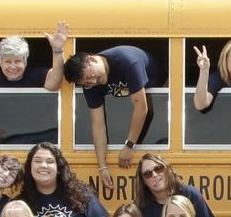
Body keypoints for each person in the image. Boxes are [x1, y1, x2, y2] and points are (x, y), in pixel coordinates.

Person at [63, 44, 163, 172]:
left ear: (91, 59)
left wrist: (129, 145)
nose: (93, 82)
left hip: (160, 83)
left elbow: (142, 108)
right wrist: (102, 166)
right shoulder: (90, 85)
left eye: (90, 76)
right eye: (87, 83)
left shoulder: (127, 61)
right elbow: (98, 125)